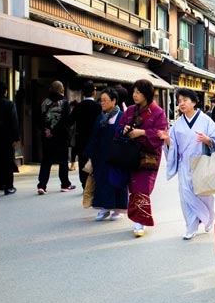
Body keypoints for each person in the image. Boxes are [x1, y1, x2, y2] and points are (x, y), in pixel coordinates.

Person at [160, 88, 215, 240]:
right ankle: (191, 227)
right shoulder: (177, 125)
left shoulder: (206, 121)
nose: (181, 103)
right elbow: (173, 146)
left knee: (204, 195)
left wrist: (207, 140)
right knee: (186, 196)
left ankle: (208, 216)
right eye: (179, 101)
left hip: (201, 163)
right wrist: (167, 140)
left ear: (194, 102)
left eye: (185, 100)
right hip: (184, 165)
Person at [118, 79, 167, 237]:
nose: (135, 95)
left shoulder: (158, 112)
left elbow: (162, 134)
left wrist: (143, 132)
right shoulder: (130, 110)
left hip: (149, 155)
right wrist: (124, 129)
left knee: (142, 187)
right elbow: (119, 128)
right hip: (131, 154)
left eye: (138, 92)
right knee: (133, 186)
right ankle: (137, 218)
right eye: (134, 92)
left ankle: (140, 221)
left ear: (147, 94)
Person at [83, 87, 127, 222]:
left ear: (114, 101)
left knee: (116, 181)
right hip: (101, 156)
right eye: (101, 100)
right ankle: (105, 207)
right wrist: (90, 154)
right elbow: (94, 137)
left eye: (105, 100)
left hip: (117, 156)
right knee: (102, 181)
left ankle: (117, 209)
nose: (102, 103)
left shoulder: (122, 116)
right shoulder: (101, 117)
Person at [37, 81, 76, 194]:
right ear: (61, 90)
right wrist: (55, 131)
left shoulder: (44, 102)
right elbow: (65, 121)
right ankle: (65, 184)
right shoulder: (64, 103)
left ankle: (42, 185)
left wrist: (46, 130)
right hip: (61, 137)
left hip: (46, 137)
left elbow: (39, 119)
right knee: (63, 161)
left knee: (46, 161)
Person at [69, 81, 101, 188]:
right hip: (95, 140)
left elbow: (70, 121)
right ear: (94, 93)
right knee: (95, 162)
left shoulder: (78, 107)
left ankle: (84, 185)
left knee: (82, 163)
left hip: (81, 139)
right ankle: (94, 185)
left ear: (83, 93)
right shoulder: (98, 107)